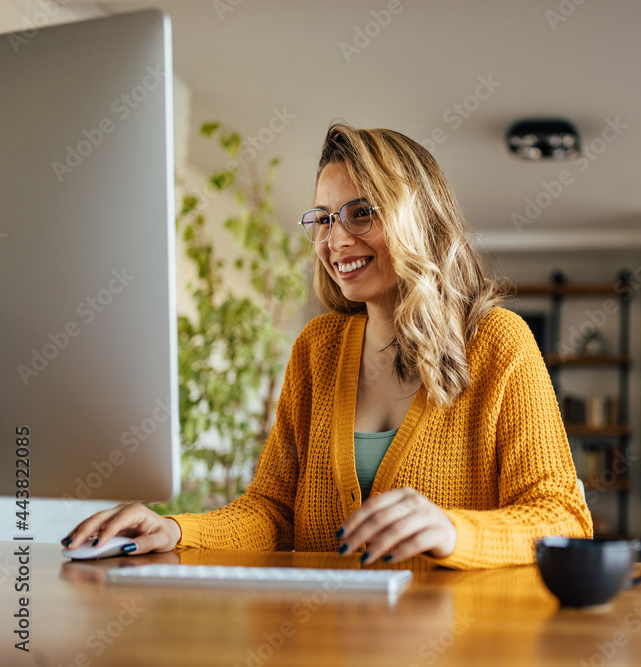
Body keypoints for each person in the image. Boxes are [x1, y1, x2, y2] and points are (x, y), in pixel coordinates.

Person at [64, 123, 593, 569]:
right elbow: (271, 512)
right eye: (323, 218)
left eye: (361, 213)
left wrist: (451, 532)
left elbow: (561, 517)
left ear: (419, 219)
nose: (336, 241)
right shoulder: (316, 349)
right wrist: (176, 529)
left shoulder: (499, 342)